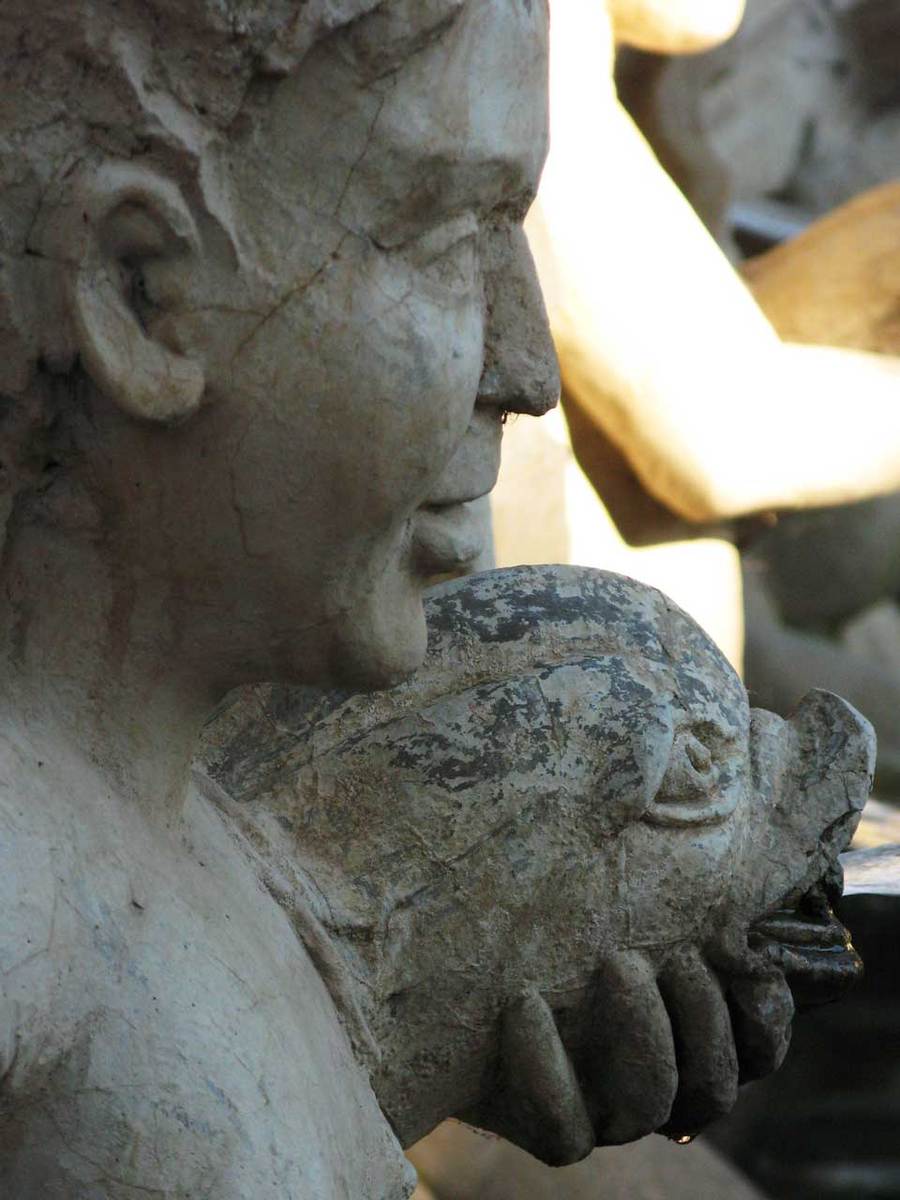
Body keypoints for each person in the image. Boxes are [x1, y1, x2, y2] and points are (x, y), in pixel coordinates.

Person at [0, 2, 557, 1195]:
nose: (529, 369)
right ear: (137, 295)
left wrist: (440, 1036)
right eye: (456, 234)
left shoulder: (173, 830)